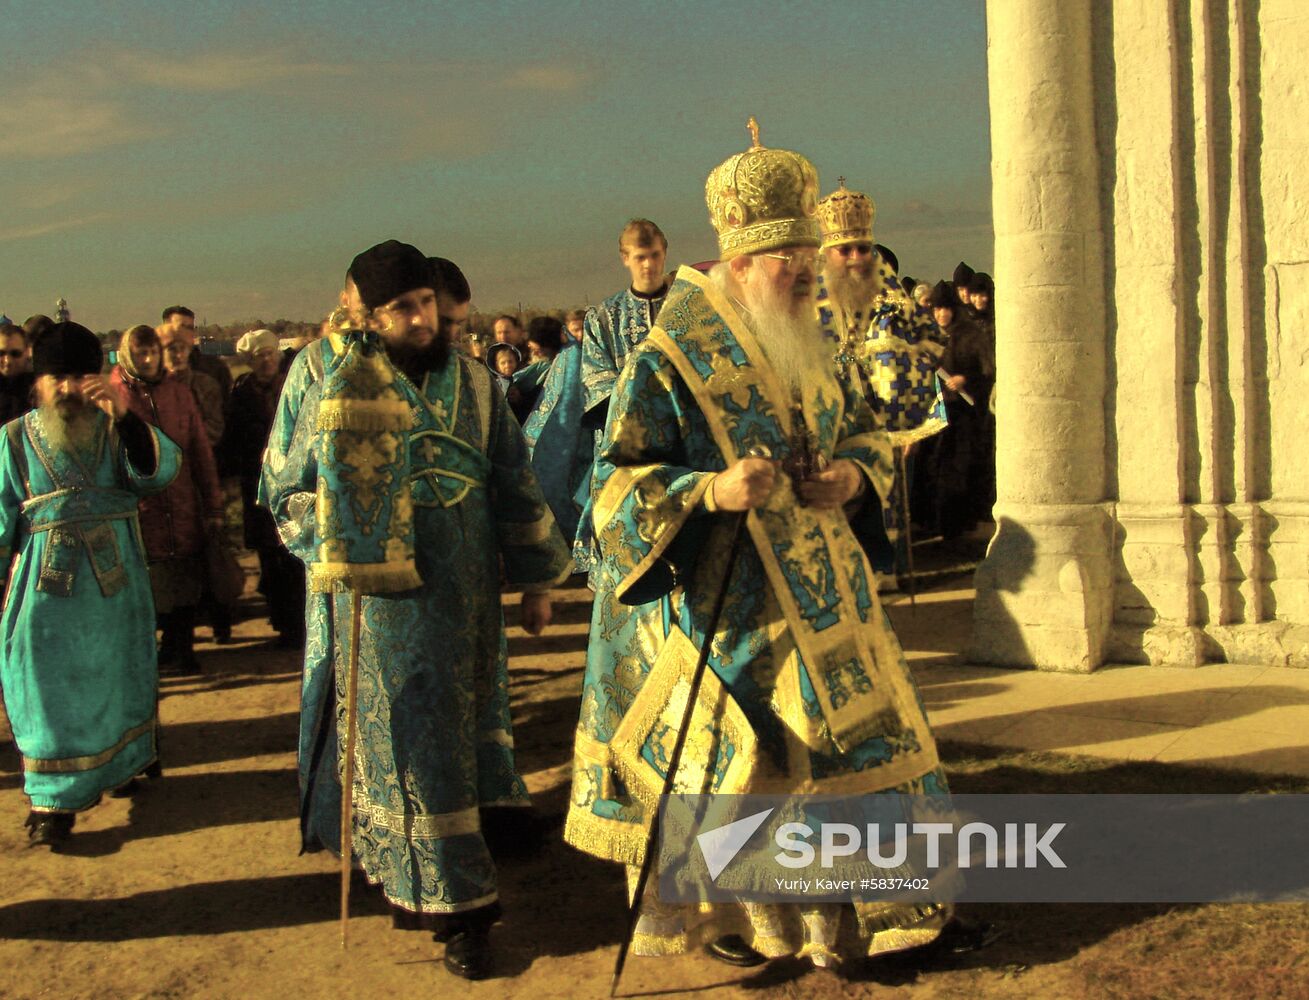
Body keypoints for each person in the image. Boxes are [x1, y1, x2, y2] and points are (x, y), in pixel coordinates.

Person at [565, 123, 961, 969]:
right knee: (752, 775)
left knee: (844, 760)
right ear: (738, 267)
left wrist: (852, 480)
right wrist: (709, 490)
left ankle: (848, 923)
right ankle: (758, 926)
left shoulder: (813, 345)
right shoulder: (669, 360)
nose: (811, 272)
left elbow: (863, 435)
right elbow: (611, 493)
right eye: (792, 260)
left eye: (812, 256)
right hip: (730, 602)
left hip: (830, 601)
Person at [259, 239, 572, 979]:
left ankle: (479, 842)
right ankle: (459, 910)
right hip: (383, 602)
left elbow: (513, 480)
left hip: (467, 596)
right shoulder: (326, 379)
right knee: (414, 746)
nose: (422, 319)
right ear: (366, 315)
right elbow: (282, 487)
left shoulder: (473, 381)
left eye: (426, 303)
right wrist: (337, 535)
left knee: (464, 732)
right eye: (403, 309)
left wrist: (536, 580)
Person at [0, 322, 181, 846]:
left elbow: (159, 471)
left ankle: (120, 766)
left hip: (114, 589)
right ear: (39, 380)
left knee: (115, 679)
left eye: (80, 376)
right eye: (57, 377)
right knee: (43, 689)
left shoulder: (113, 427)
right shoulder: (12, 439)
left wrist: (125, 418)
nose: (69, 388)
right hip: (43, 595)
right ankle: (51, 804)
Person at [814, 179, 947, 590]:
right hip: (827, 431)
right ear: (826, 254)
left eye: (862, 248)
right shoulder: (806, 301)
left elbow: (924, 352)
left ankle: (879, 576)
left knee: (882, 503)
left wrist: (911, 422)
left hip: (881, 430)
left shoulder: (892, 299)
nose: (855, 258)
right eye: (844, 249)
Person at [111, 325, 224, 674]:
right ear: (128, 354)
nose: (148, 360)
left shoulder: (179, 393)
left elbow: (199, 451)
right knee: (149, 582)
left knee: (185, 577)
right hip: (140, 509)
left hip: (182, 500)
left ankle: (183, 649)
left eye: (153, 352)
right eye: (141, 353)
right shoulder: (115, 396)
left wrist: (213, 503)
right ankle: (153, 652)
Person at [223, 329, 304, 647]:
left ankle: (300, 625)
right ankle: (283, 625)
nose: (266, 360)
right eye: (259, 356)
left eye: (270, 354)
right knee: (269, 560)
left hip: (295, 484)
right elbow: (233, 438)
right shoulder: (242, 392)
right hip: (257, 486)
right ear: (251, 361)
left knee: (295, 557)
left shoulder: (294, 387)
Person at [927, 280, 994, 540]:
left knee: (960, 468)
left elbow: (986, 369)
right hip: (937, 412)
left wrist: (965, 379)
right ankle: (939, 523)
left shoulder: (969, 335)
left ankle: (962, 523)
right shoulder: (929, 336)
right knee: (936, 467)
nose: (941, 314)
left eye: (945, 309)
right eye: (937, 309)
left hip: (964, 415)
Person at [521, 314, 587, 547]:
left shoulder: (573, 356)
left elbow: (567, 403)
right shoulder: (562, 355)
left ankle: (570, 540)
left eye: (535, 342)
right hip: (555, 430)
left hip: (567, 437)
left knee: (552, 481)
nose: (531, 346)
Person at [160, 306, 233, 402]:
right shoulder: (153, 368)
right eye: (181, 328)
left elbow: (226, 407)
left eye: (190, 328)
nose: (186, 333)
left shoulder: (214, 368)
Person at [0, 322, 34, 425]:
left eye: (15, 354)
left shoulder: (38, 389)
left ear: (28, 352)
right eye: (1, 354)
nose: (7, 361)